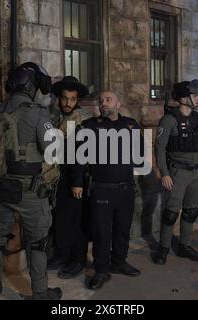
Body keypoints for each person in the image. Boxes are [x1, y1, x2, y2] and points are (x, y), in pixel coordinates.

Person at [0, 62, 62, 300]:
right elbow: (53, 150)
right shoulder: (38, 113)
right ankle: (40, 294)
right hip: (30, 189)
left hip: (1, 185)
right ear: (31, 86)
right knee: (38, 243)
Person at [71, 91, 143, 290]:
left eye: (108, 100)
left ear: (118, 103)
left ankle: (119, 262)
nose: (103, 103)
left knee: (122, 229)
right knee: (101, 232)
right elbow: (78, 158)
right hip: (101, 189)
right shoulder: (89, 127)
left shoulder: (131, 125)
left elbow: (140, 152)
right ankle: (101, 270)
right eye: (100, 101)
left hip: (126, 189)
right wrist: (77, 182)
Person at [152, 80, 198, 265]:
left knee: (190, 212)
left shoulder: (197, 118)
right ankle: (163, 248)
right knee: (171, 213)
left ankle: (185, 246)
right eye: (194, 95)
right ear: (183, 98)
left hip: (197, 172)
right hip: (178, 172)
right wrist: (165, 173)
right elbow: (159, 148)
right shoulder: (169, 119)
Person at [47, 76, 90, 278]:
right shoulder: (57, 119)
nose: (68, 103)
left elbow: (80, 156)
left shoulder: (79, 123)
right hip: (59, 177)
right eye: (64, 98)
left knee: (76, 220)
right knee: (61, 219)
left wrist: (77, 182)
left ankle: (77, 260)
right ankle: (61, 255)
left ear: (77, 100)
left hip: (74, 179)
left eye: (72, 99)